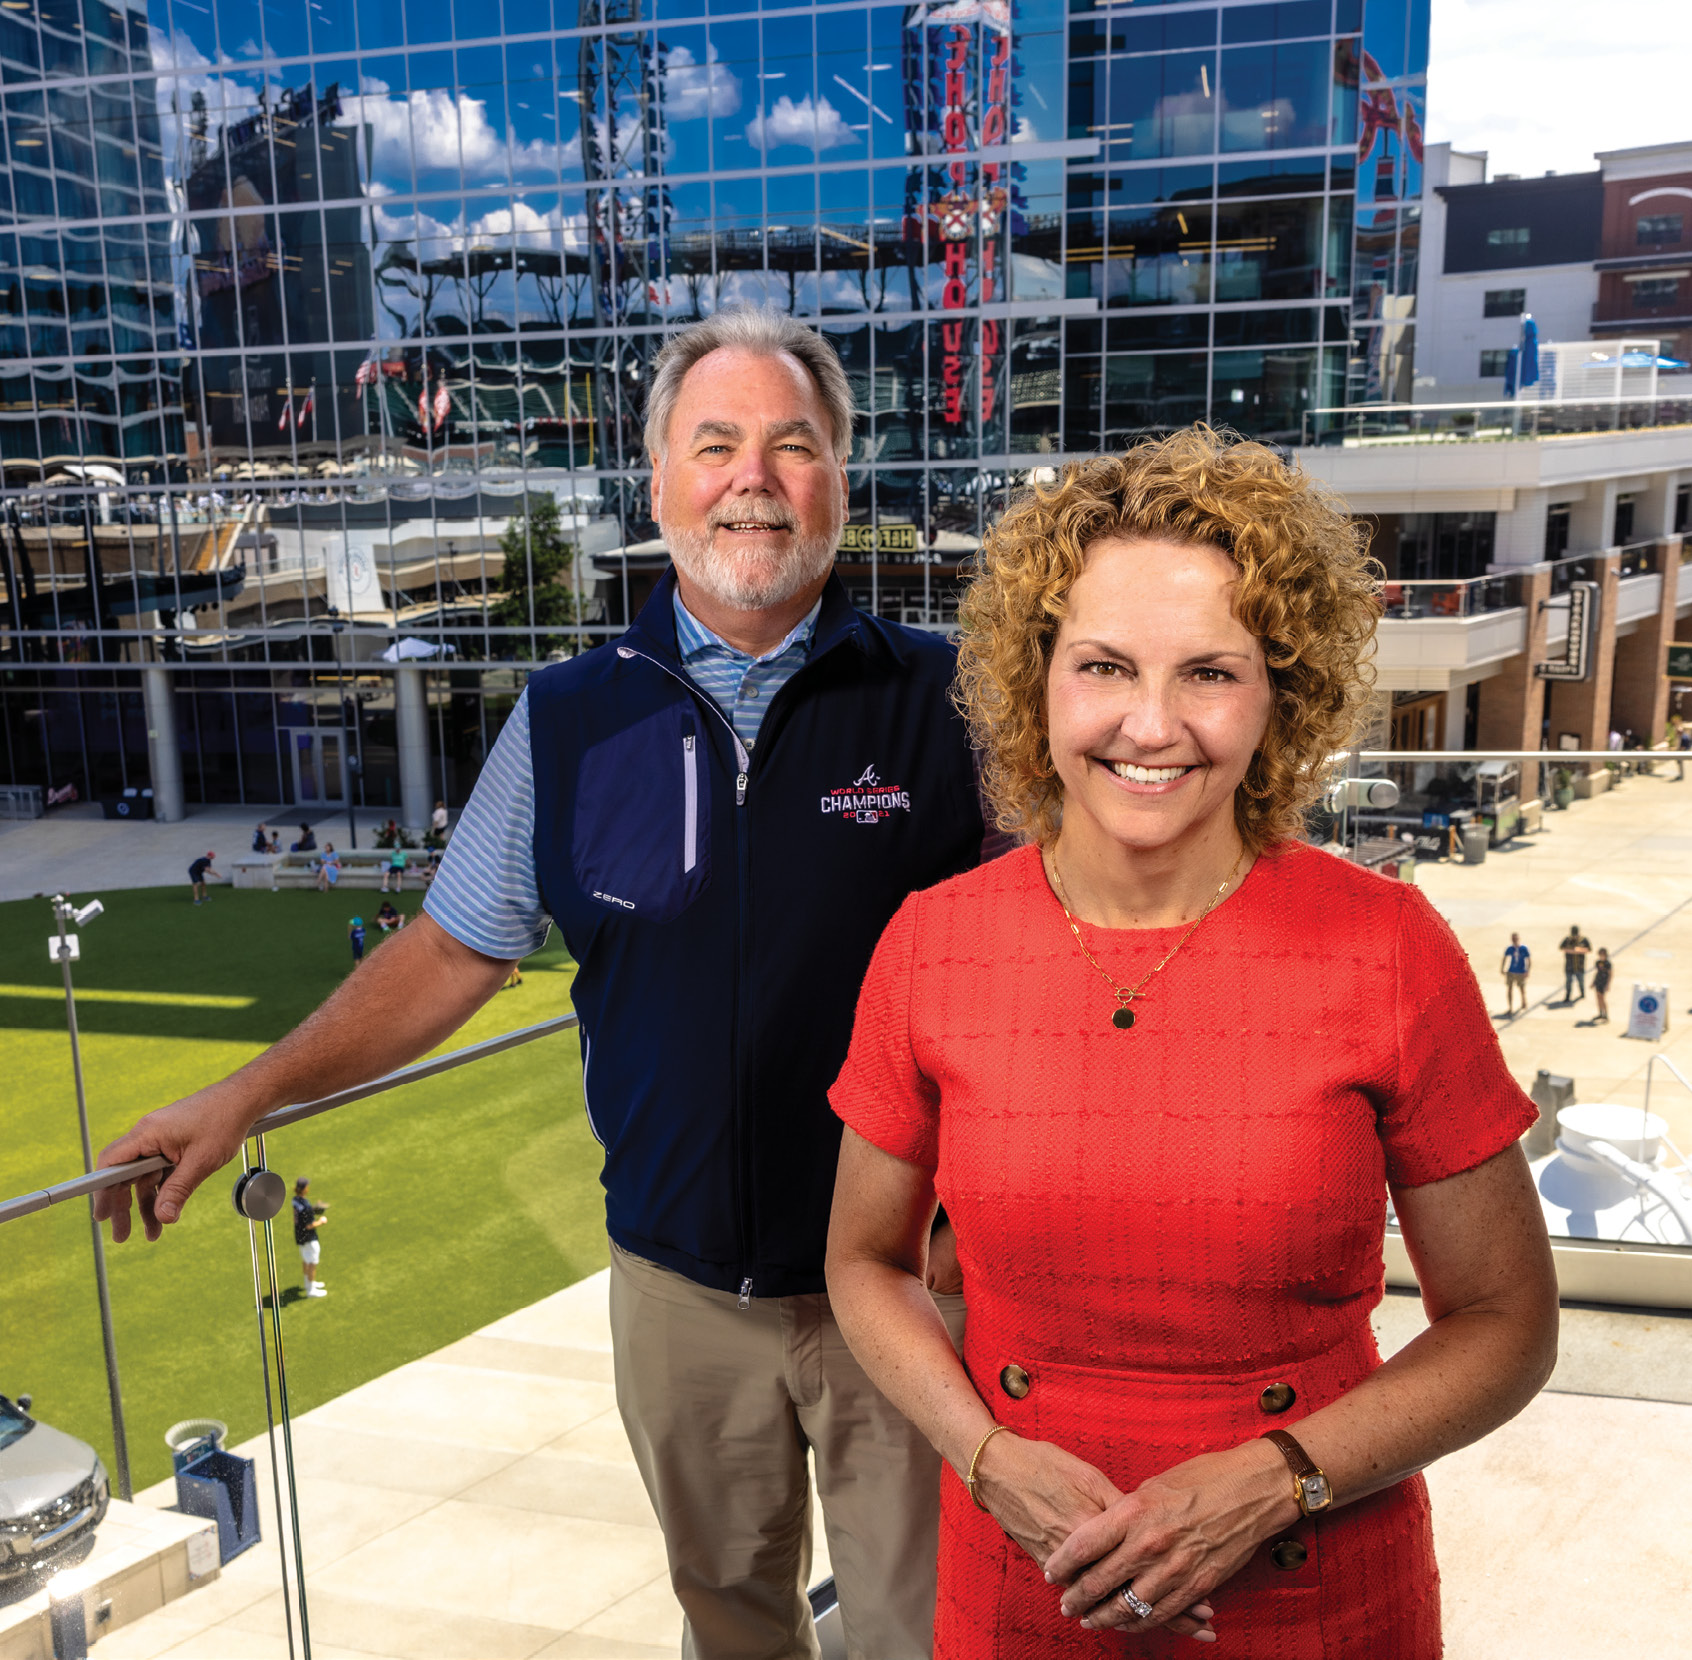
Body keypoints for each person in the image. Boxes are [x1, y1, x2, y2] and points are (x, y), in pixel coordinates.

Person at [91, 308, 992, 1660]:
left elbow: (1059, 960)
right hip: (678, 1297)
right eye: (717, 444)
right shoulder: (573, 717)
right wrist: (250, 1095)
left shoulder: (949, 701)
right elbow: (458, 945)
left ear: (841, 479)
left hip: (908, 1287)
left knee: (926, 1640)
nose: (754, 477)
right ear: (659, 483)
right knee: (731, 1623)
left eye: (793, 447)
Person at [825, 429, 1558, 1659]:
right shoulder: (929, 946)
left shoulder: (1386, 946)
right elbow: (863, 1264)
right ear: (1033, 679)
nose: (1151, 725)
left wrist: (1278, 1478)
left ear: (1279, 692)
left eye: (1209, 672)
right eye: (1104, 665)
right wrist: (984, 1455)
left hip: (1317, 1590)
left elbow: (1506, 1322)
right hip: (1021, 1589)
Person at [292, 1177, 327, 1297]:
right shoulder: (305, 1206)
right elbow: (309, 1225)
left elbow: (301, 1215)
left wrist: (312, 1210)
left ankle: (308, 1284)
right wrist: (321, 1221)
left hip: (299, 1236)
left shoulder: (295, 1200)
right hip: (309, 1238)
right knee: (312, 1263)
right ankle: (311, 1290)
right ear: (304, 1189)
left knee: (306, 1260)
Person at [1559, 924, 1592, 1003]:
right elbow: (1561, 947)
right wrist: (1571, 951)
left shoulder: (1583, 940)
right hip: (1569, 966)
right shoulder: (1567, 939)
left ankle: (1582, 993)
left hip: (1579, 966)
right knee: (1568, 982)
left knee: (1581, 981)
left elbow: (1589, 949)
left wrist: (1578, 950)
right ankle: (1567, 996)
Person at [1501, 932, 1531, 1014]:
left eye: (1516, 938)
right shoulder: (1509, 949)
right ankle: (1510, 1007)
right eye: (1513, 939)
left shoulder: (1523, 948)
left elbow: (1528, 960)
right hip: (1511, 971)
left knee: (1521, 988)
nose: (1514, 940)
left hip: (1520, 972)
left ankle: (1523, 1001)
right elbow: (1505, 958)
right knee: (1509, 989)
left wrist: (1527, 971)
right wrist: (1502, 968)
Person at [1592, 947, 1613, 1023]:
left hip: (1604, 982)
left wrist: (1608, 984)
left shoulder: (1608, 964)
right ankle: (1600, 1013)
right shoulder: (1598, 962)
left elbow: (1610, 974)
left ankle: (1606, 1014)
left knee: (1603, 998)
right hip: (1598, 981)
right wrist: (1593, 982)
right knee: (1598, 997)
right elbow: (1597, 973)